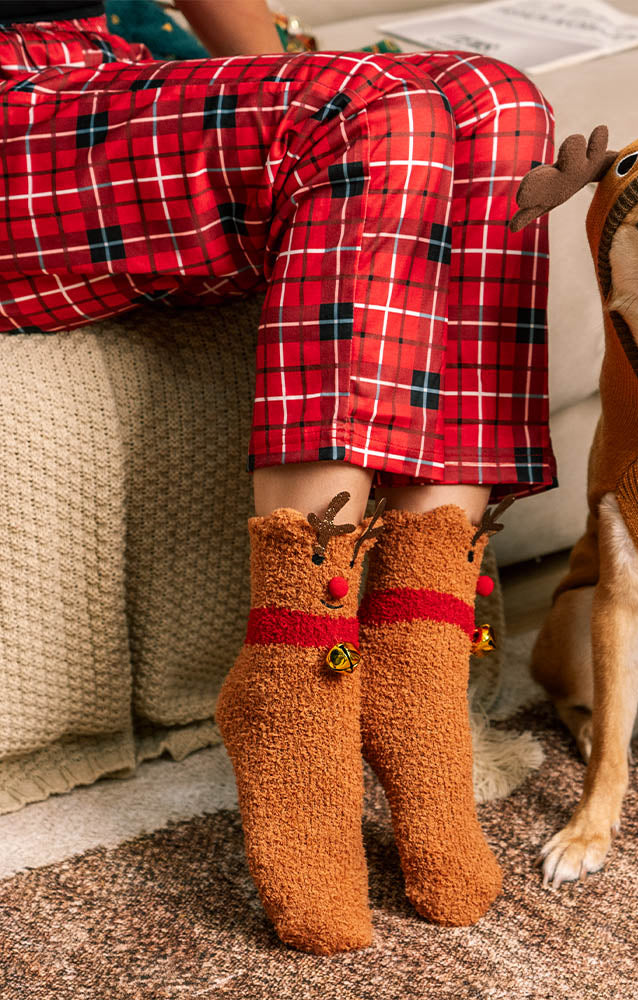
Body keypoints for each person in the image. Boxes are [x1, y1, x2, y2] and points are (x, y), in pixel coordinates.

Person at [0, 0, 555, 953]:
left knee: (491, 103)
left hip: (89, 69)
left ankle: (414, 665)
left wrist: (285, 78)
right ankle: (296, 677)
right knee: (375, 112)